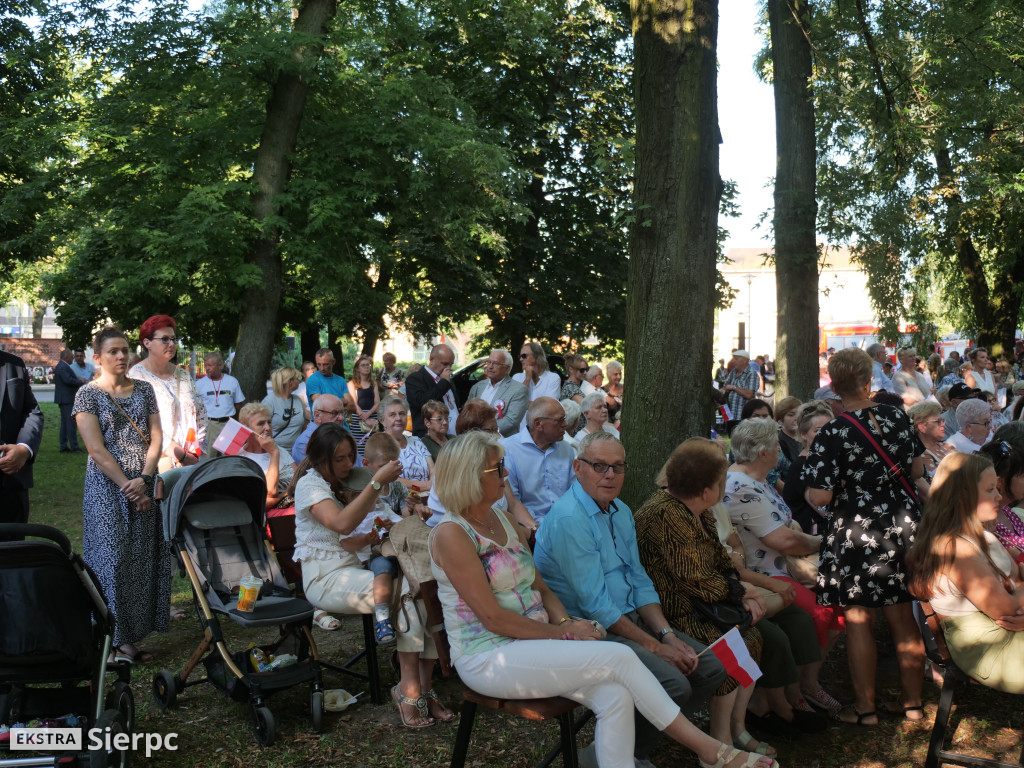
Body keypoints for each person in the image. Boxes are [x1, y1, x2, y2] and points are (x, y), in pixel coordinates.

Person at [431, 431, 775, 768]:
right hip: (490, 653)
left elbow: (545, 590)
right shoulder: (452, 533)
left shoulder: (505, 520)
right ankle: (712, 751)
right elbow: (494, 620)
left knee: (617, 695)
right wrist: (569, 632)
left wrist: (568, 625)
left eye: (617, 467)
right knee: (620, 657)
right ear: (470, 475)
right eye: (498, 468)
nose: (506, 474)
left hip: (542, 639)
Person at [636, 438, 813, 759]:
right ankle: (719, 743)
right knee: (736, 643)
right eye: (720, 480)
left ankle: (736, 727)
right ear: (706, 490)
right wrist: (741, 593)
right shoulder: (666, 515)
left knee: (752, 638)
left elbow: (718, 557)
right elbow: (695, 578)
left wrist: (743, 589)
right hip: (674, 611)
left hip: (699, 603)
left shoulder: (694, 507)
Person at [290, 424, 451, 726]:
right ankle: (410, 691)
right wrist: (375, 483)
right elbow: (341, 524)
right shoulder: (309, 486)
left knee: (423, 592)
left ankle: (423, 689)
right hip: (326, 578)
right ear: (319, 458)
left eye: (350, 456)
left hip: (363, 571)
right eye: (339, 459)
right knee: (407, 596)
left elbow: (383, 518)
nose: (347, 464)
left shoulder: (354, 480)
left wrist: (411, 515)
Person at [801, 346, 926, 725]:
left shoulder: (832, 432)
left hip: (857, 532)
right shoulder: (898, 416)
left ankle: (866, 710)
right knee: (903, 616)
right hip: (902, 524)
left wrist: (813, 488)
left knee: (859, 620)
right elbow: (917, 468)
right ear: (869, 381)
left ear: (835, 387)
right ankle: (914, 705)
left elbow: (820, 496)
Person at [723, 419, 839, 726]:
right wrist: (817, 541)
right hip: (763, 575)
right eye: (775, 447)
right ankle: (795, 691)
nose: (780, 451)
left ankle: (806, 682)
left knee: (838, 607)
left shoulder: (759, 479)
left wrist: (798, 535)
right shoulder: (740, 486)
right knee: (820, 613)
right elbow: (783, 539)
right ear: (762, 453)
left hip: (783, 567)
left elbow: (787, 527)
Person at [74, 325, 166, 663]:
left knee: (139, 560)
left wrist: (144, 477)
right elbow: (96, 450)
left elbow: (157, 438)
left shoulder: (144, 389)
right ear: (97, 358)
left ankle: (131, 636)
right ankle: (109, 642)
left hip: (144, 482)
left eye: (124, 350)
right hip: (107, 491)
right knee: (110, 561)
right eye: (112, 351)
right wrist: (129, 487)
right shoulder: (87, 394)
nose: (121, 356)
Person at [906, 451, 1024, 694]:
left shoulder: (984, 537)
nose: (1000, 497)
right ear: (963, 496)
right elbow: (1008, 610)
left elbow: (1018, 585)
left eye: (998, 489)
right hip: (995, 651)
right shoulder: (956, 549)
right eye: (990, 490)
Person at [339, 432, 408, 645]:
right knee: (384, 567)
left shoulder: (380, 506)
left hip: (393, 549)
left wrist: (391, 525)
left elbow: (400, 522)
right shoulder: (352, 516)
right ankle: (382, 617)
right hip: (372, 557)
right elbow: (346, 542)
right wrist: (368, 539)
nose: (371, 501)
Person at [129, 314, 206, 472]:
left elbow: (201, 413)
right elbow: (140, 425)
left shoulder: (183, 375)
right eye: (164, 339)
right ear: (147, 343)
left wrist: (193, 451)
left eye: (173, 339)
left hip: (190, 459)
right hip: (156, 461)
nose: (171, 344)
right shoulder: (137, 376)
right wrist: (179, 455)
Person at [502, 397, 576, 524]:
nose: (565, 424)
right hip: (528, 528)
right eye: (559, 420)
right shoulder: (508, 450)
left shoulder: (566, 449)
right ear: (538, 424)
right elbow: (512, 502)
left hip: (567, 524)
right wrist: (537, 531)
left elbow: (574, 493)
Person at [0, 348, 44, 538]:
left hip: (10, 483)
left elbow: (32, 411)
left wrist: (24, 449)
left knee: (13, 558)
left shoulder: (14, 364)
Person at [782, 402, 834, 536]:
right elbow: (823, 510)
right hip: (815, 538)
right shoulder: (802, 465)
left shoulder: (826, 461)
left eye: (830, 429)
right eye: (818, 430)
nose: (826, 435)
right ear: (803, 434)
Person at [235, 403, 294, 511]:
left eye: (269, 423)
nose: (268, 428)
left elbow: (299, 480)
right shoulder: (240, 459)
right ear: (246, 429)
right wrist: (274, 454)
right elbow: (268, 494)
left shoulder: (282, 451)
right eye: (261, 424)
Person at [468, 348, 528, 437]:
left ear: (507, 369)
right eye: (489, 362)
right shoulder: (477, 387)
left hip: (501, 443)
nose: (490, 366)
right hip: (474, 440)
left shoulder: (518, 389)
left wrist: (484, 432)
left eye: (495, 363)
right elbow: (468, 413)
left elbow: (511, 421)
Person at [379, 395, 434, 492]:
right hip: (402, 501)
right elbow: (388, 479)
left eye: (402, 413)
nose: (398, 418)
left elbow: (433, 470)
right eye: (392, 415)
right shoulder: (379, 445)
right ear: (382, 421)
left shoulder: (416, 441)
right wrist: (425, 486)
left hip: (429, 495)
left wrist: (432, 486)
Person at [195, 350, 245, 455]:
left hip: (229, 423)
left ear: (220, 365)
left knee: (229, 457)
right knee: (210, 458)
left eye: (210, 365)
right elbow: (195, 406)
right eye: (205, 365)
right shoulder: (199, 384)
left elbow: (239, 404)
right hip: (209, 425)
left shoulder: (232, 381)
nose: (207, 368)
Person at [406, 343, 459, 437]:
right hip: (429, 439)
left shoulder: (447, 379)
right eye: (445, 364)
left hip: (452, 437)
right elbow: (422, 402)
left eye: (451, 364)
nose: (448, 368)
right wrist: (443, 383)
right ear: (431, 359)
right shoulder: (416, 378)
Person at [262, 367, 310, 453]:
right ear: (290, 382)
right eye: (297, 378)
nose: (299, 381)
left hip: (296, 451)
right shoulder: (269, 402)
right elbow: (260, 430)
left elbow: (304, 426)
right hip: (276, 451)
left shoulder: (297, 400)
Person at [291, 393, 348, 465]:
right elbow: (313, 474)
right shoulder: (305, 442)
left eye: (342, 413)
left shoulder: (340, 435)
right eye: (334, 413)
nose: (341, 418)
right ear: (317, 415)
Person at [513, 342, 561, 423]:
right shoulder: (517, 377)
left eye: (524, 356)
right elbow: (515, 403)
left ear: (536, 356)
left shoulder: (553, 378)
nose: (521, 359)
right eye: (520, 356)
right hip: (521, 429)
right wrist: (527, 379)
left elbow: (549, 407)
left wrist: (524, 404)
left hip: (543, 428)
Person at [906, 400, 950, 485]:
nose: (943, 424)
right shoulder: (920, 455)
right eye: (938, 421)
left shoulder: (945, 445)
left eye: (943, 420)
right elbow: (938, 484)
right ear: (922, 427)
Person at [347, 354, 380, 455]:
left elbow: (377, 402)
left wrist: (369, 414)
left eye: (368, 365)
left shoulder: (373, 383)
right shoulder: (352, 384)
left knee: (374, 446)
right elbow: (354, 403)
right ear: (357, 368)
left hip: (372, 416)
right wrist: (365, 419)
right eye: (363, 365)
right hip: (358, 417)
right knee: (359, 446)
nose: (366, 367)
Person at [54, 349, 84, 453]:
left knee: (65, 424)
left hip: (65, 399)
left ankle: (63, 446)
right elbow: (68, 381)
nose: (73, 359)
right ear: (66, 357)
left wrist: (76, 379)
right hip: (67, 399)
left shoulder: (62, 366)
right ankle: (74, 447)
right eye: (72, 357)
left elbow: (68, 379)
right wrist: (79, 381)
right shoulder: (63, 367)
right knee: (71, 424)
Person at [722, 350, 759, 418]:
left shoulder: (751, 374)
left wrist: (734, 388)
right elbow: (725, 386)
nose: (733, 361)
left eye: (736, 359)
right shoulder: (733, 372)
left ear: (745, 360)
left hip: (743, 417)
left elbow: (749, 395)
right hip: (729, 415)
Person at [774, 397, 802, 465]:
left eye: (799, 414)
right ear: (780, 421)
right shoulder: (778, 442)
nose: (796, 418)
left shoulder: (807, 437)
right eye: (791, 415)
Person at [604, 360, 624, 425]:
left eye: (620, 374)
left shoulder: (626, 388)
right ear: (608, 375)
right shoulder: (603, 391)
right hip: (610, 427)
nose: (619, 377)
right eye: (615, 374)